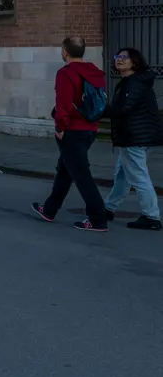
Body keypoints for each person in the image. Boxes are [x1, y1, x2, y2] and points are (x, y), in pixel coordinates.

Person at [32, 36, 113, 231]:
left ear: (65, 51)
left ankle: (97, 218)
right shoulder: (94, 72)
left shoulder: (66, 73)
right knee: (65, 170)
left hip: (72, 130)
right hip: (90, 128)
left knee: (81, 174)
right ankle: (50, 209)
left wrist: (60, 127)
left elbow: (64, 104)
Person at [103, 47, 161, 230]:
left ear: (134, 62)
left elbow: (123, 109)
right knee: (122, 175)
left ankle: (152, 217)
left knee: (139, 177)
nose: (119, 60)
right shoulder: (133, 81)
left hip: (134, 137)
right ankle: (108, 208)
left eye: (124, 58)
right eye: (117, 56)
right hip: (136, 136)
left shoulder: (134, 83)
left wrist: (99, 110)